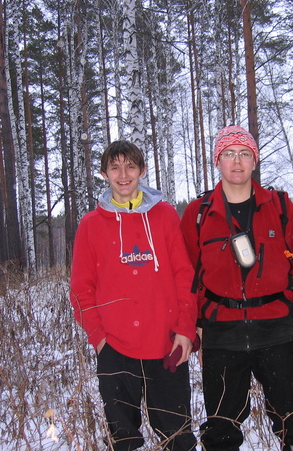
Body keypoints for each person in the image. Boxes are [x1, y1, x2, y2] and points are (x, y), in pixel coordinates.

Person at [180, 125, 293, 451]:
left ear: (254, 161)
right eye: (229, 154)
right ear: (218, 160)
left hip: (277, 329)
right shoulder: (198, 214)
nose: (237, 162)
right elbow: (188, 278)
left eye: (244, 153)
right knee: (221, 429)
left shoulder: (281, 207)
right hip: (221, 331)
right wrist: (194, 326)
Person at [70, 140, 198, 451]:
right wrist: (99, 337)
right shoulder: (90, 225)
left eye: (130, 166)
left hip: (166, 344)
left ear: (141, 171)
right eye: (115, 167)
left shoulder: (165, 215)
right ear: (105, 174)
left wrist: (184, 329)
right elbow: (81, 289)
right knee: (122, 439)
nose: (123, 174)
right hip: (115, 347)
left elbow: (185, 275)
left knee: (176, 435)